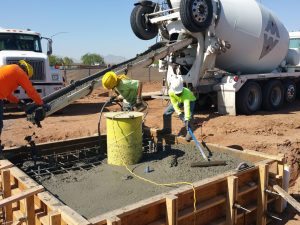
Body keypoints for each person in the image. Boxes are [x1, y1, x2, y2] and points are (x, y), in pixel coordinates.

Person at [0, 60, 44, 150]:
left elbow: (7, 94)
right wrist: (41, 103)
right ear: (26, 72)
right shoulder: (19, 72)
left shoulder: (9, 69)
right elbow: (30, 91)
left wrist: (18, 101)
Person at [162, 76, 196, 141]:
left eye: (180, 93)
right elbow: (174, 103)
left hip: (190, 101)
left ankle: (189, 133)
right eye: (177, 93)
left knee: (189, 116)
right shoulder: (171, 92)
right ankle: (167, 129)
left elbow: (186, 107)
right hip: (179, 101)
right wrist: (179, 113)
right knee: (166, 112)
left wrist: (186, 118)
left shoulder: (187, 92)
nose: (178, 94)